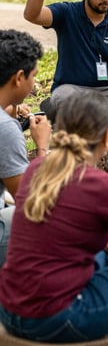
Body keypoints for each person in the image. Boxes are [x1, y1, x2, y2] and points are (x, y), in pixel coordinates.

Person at [0, 90, 108, 343]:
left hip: (11, 312)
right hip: (59, 320)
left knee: (106, 254)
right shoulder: (101, 186)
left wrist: (99, 237)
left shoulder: (38, 167)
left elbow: (57, 226)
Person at [0, 30, 52, 267]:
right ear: (19, 77)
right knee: (59, 219)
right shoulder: (5, 128)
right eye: (34, 77)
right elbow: (32, 204)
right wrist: (42, 147)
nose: (34, 84)